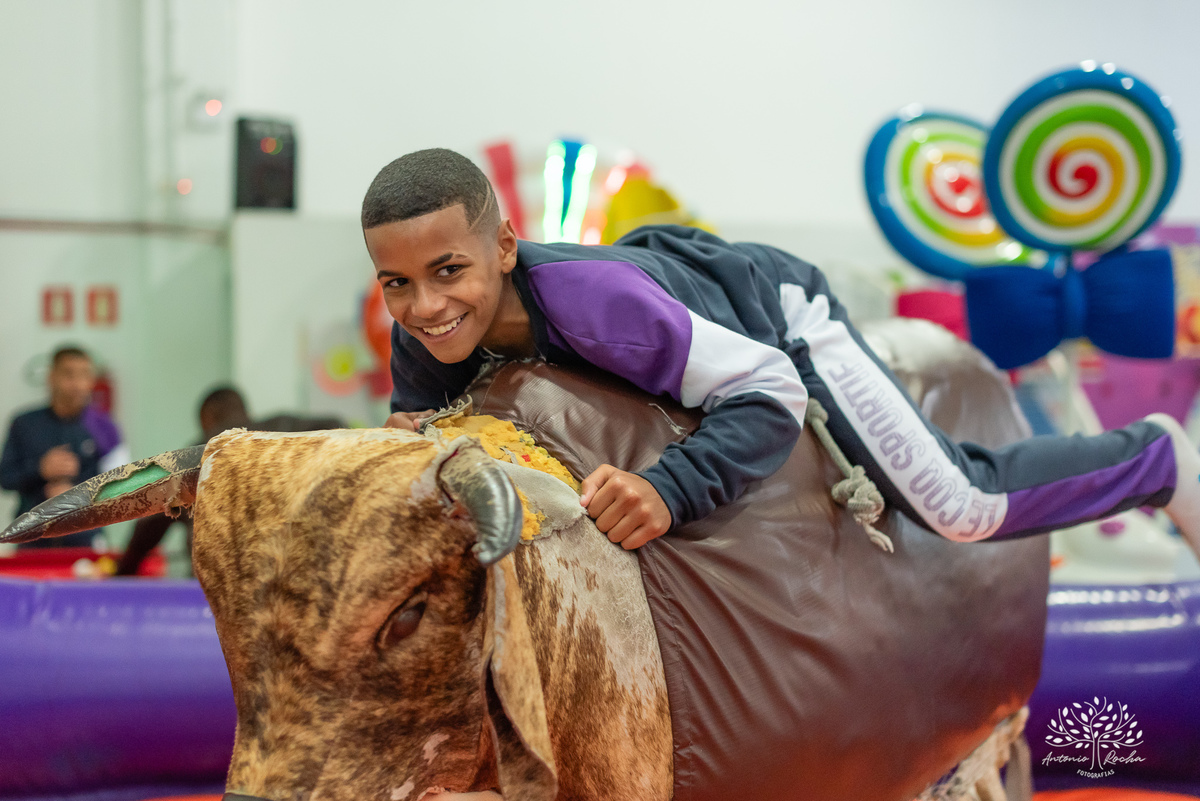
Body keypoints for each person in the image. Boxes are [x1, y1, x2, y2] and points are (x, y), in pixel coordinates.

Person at [364, 148, 1200, 556]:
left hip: (781, 318)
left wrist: (670, 487)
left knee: (957, 506)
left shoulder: (596, 305)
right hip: (686, 291)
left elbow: (769, 392)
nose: (426, 307)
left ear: (505, 245)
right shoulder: (424, 337)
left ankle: (1158, 457)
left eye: (447, 272)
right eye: (396, 283)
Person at [115, 386, 343, 575]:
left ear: (207, 420)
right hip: (290, 574)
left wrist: (123, 572)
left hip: (216, 588)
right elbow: (337, 424)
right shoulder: (285, 430)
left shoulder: (194, 456)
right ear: (246, 412)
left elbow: (148, 526)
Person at [0, 346, 125, 548]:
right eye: (68, 374)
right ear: (51, 377)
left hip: (86, 539)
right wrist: (39, 469)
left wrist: (79, 495)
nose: (77, 384)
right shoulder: (24, 424)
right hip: (31, 540)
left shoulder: (105, 428)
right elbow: (6, 478)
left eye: (84, 375)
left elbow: (122, 488)